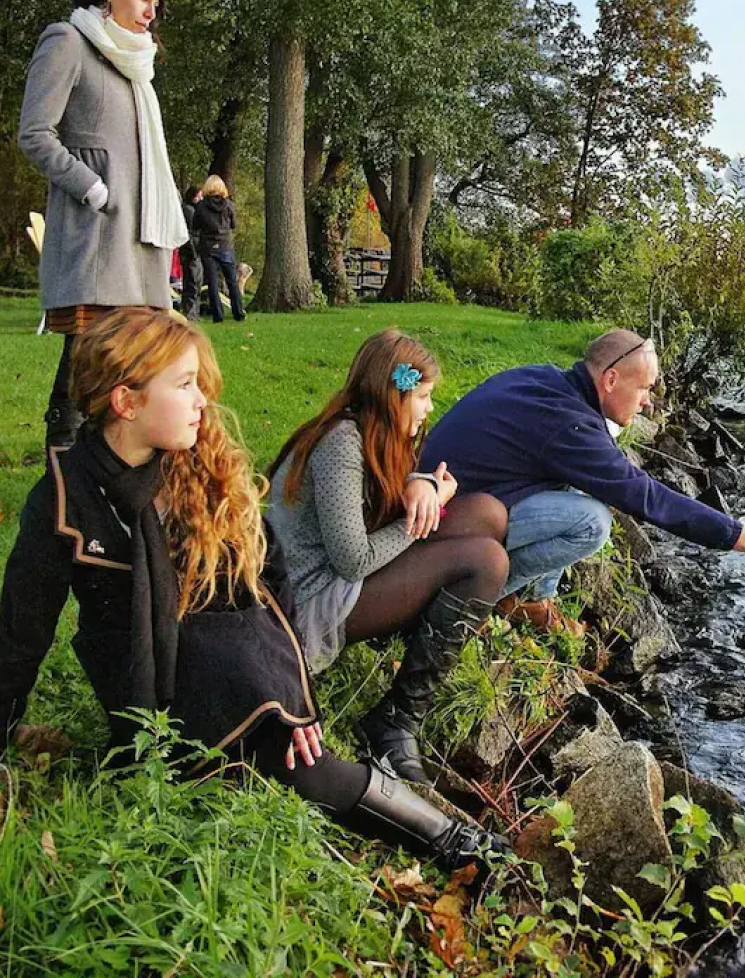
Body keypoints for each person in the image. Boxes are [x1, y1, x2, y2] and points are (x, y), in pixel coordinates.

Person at [0, 309, 504, 867]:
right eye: (184, 385)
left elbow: (265, 584)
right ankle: (455, 843)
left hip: (233, 650)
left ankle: (455, 841)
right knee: (304, 765)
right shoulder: (66, 497)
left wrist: (288, 694)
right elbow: (21, 631)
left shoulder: (199, 463)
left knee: (298, 751)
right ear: (126, 402)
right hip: (151, 677)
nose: (202, 401)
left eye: (199, 384)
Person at [419, 329, 745, 631]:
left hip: (447, 497)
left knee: (578, 484)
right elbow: (647, 498)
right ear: (611, 379)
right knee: (592, 522)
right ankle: (473, 598)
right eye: (645, 387)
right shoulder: (570, 426)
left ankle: (533, 601)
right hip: (447, 521)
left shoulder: (548, 381)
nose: (648, 401)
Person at [267, 331, 510, 784]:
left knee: (487, 514)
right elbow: (354, 559)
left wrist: (423, 485)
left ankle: (410, 648)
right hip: (307, 604)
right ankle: (397, 719)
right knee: (487, 562)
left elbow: (381, 497)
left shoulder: (375, 431)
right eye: (423, 396)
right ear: (393, 394)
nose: (429, 408)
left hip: (343, 577)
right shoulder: (340, 442)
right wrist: (422, 518)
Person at [18, 0, 189, 450]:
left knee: (132, 366)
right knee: (85, 360)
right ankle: (62, 468)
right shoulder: (68, 41)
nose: (151, 11)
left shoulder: (137, 65)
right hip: (94, 238)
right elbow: (34, 134)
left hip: (139, 242)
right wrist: (92, 187)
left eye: (155, 3)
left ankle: (114, 468)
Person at [193, 175, 245, 322]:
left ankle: (217, 315)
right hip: (225, 245)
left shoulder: (201, 206)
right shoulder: (228, 205)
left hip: (208, 247)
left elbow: (195, 226)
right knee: (232, 281)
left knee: (212, 283)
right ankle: (238, 312)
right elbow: (233, 225)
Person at [177, 185, 204, 320]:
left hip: (195, 250)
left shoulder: (193, 210)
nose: (201, 198)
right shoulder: (188, 211)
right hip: (190, 252)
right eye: (199, 196)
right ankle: (190, 312)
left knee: (196, 283)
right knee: (192, 283)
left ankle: (194, 312)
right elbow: (189, 234)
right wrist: (192, 251)